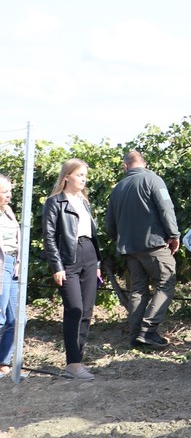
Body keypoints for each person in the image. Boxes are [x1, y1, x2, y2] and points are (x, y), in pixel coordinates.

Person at [103, 150, 179, 349]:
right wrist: (174, 235)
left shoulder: (118, 188)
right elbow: (166, 208)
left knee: (138, 289)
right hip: (154, 245)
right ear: (144, 164)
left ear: (125, 166)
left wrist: (121, 240)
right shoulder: (153, 180)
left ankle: (135, 334)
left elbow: (109, 223)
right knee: (166, 281)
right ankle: (148, 331)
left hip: (130, 249)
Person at [42, 159, 101, 380]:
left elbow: (92, 235)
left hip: (88, 255)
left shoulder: (84, 201)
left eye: (85, 175)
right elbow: (49, 237)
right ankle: (73, 362)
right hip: (68, 258)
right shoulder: (55, 202)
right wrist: (57, 266)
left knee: (86, 311)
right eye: (79, 175)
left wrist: (96, 264)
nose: (84, 179)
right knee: (74, 309)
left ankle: (78, 360)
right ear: (67, 176)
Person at [0, 174, 21, 378]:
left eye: (10, 191)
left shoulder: (8, 211)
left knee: (16, 318)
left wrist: (18, 262)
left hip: (12, 265)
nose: (9, 195)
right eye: (5, 191)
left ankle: (3, 362)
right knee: (0, 317)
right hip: (1, 266)